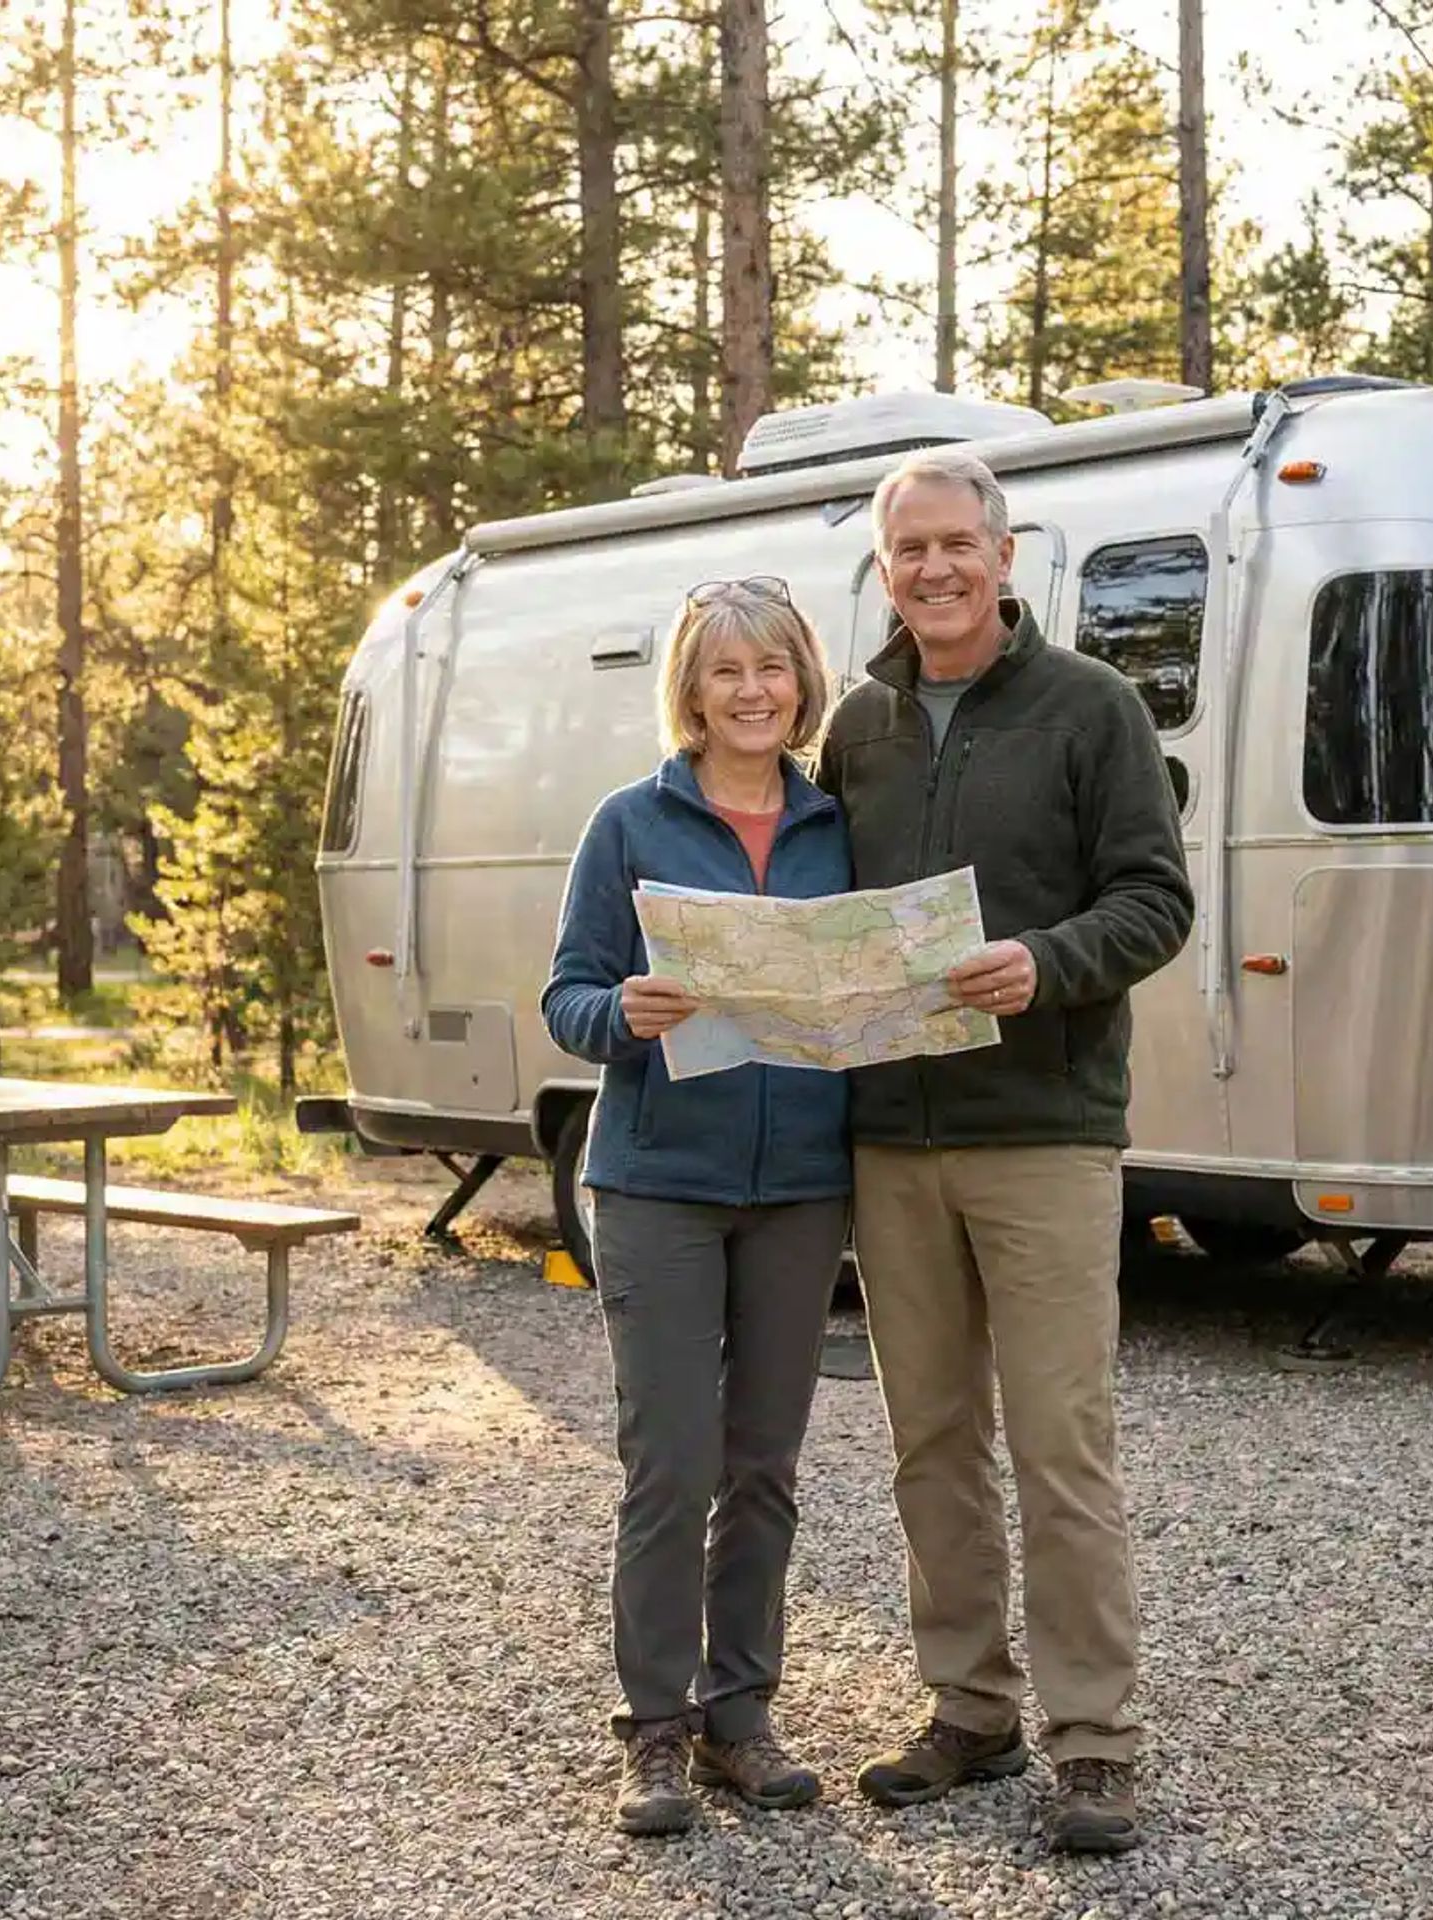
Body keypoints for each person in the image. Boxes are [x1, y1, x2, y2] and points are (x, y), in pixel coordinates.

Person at [816, 447, 1194, 1854]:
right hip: (891, 1137)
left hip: (1042, 1134)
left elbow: (1158, 900)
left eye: (955, 544)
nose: (933, 571)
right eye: (908, 550)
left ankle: (1094, 1742)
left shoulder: (1092, 710)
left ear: (1006, 550)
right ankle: (968, 1709)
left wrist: (1047, 961)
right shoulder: (857, 726)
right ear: (887, 565)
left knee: (1060, 1445)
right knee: (929, 1446)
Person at [541, 577, 851, 1839]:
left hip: (801, 1189)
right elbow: (566, 996)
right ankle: (653, 1732)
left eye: (772, 668)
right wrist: (627, 1015)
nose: (753, 691)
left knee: (765, 1467)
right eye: (727, 671)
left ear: (801, 682)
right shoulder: (630, 824)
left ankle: (740, 1721)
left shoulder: (843, 827)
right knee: (670, 1464)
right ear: (693, 688)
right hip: (659, 1184)